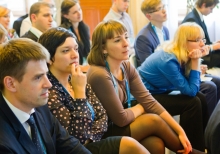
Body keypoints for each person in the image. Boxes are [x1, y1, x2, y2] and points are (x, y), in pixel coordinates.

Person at [87, 20, 206, 154]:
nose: (126, 43)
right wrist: (141, 107)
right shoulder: (99, 74)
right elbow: (121, 119)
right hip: (102, 132)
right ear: (103, 48)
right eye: (117, 40)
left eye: (126, 37)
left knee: (156, 143)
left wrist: (180, 131)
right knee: (153, 120)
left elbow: (150, 101)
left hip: (121, 121)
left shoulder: (125, 66)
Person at [38, 27, 149, 154]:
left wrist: (91, 137)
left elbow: (102, 116)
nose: (75, 55)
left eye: (76, 49)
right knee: (131, 143)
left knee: (152, 141)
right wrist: (79, 93)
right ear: (49, 57)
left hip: (94, 141)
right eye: (66, 51)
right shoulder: (49, 90)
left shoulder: (76, 78)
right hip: (74, 150)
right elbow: (75, 139)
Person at [0, 38, 91, 153]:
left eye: (46, 74)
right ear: (11, 83)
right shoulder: (3, 142)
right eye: (38, 77)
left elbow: (70, 146)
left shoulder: (38, 106)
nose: (48, 84)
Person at [137, 0, 220, 118]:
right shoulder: (164, 57)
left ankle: (208, 130)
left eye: (202, 40)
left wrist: (193, 67)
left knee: (210, 86)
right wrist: (195, 62)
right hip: (151, 92)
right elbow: (190, 91)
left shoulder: (167, 35)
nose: (202, 44)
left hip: (165, 81)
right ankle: (201, 134)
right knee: (195, 99)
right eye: (197, 40)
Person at [182, 0, 220, 68]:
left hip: (204, 51)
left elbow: (202, 41)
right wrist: (213, 47)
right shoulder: (192, 19)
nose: (211, 11)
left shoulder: (197, 16)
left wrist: (214, 44)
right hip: (199, 55)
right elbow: (195, 47)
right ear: (203, 5)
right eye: (211, 8)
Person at [134, 0, 169, 67]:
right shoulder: (143, 38)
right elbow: (149, 66)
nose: (164, 11)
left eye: (163, 7)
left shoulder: (165, 30)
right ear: (149, 16)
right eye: (159, 9)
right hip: (152, 75)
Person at [60, 0, 90, 72]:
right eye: (74, 12)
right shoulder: (63, 31)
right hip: (72, 68)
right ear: (66, 15)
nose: (79, 13)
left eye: (79, 9)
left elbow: (87, 50)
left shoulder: (85, 28)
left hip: (84, 66)